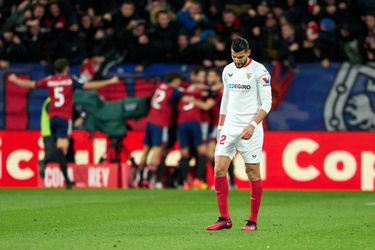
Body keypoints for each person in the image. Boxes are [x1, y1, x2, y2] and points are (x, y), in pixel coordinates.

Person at [8, 58, 119, 189]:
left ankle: (67, 180)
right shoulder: (69, 81)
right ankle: (44, 161)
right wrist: (110, 81)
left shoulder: (49, 80)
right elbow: (89, 86)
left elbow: (31, 84)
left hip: (52, 119)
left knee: (60, 151)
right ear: (66, 69)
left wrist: (15, 80)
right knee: (63, 148)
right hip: (64, 119)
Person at [206, 37, 272, 231]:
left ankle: (252, 220)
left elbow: (267, 103)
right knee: (219, 168)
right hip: (230, 127)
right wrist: (220, 128)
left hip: (250, 127)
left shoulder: (260, 71)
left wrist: (252, 125)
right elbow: (226, 99)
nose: (237, 60)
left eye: (241, 57)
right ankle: (224, 218)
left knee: (252, 173)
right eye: (234, 56)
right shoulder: (228, 70)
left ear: (248, 53)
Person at [135, 72, 184, 189]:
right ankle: (149, 177)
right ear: (175, 80)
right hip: (160, 124)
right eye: (179, 81)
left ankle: (139, 177)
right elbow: (184, 93)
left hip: (150, 121)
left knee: (146, 149)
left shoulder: (160, 87)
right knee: (158, 150)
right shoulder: (173, 91)